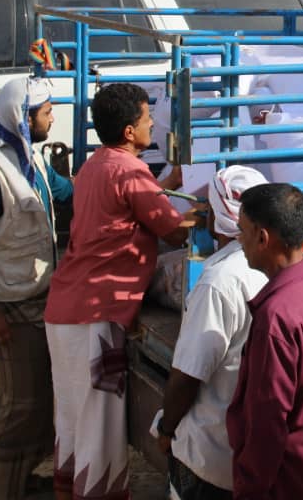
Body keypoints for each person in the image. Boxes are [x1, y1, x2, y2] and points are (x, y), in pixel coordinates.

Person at [44, 82, 194, 500]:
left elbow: (132, 204)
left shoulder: (96, 164)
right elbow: (173, 231)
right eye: (148, 119)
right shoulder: (129, 171)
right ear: (130, 131)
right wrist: (214, 215)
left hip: (67, 308)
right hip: (98, 311)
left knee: (72, 420)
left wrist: (167, 184)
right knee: (100, 427)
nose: (152, 125)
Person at [0, 77, 73, 499]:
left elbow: (68, 192)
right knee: (19, 405)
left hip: (36, 299)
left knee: (38, 398)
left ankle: (20, 481)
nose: (52, 119)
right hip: (9, 307)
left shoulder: (32, 161)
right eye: (46, 112)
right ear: (24, 118)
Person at [226, 183, 303, 499]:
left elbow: (267, 424)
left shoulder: (275, 318)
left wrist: (249, 488)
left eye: (242, 231)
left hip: (288, 484)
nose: (239, 240)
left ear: (262, 237)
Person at [155, 166, 269, 500]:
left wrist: (166, 429)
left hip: (210, 453)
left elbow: (188, 374)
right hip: (255, 450)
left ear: (215, 218)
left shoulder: (218, 281)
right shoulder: (276, 268)